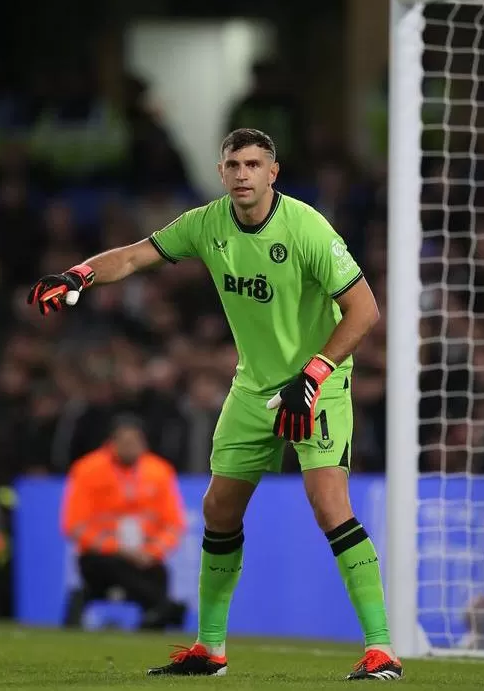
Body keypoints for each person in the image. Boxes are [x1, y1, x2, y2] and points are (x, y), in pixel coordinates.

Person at [28, 128, 402, 681]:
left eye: (253, 164)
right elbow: (133, 257)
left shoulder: (307, 228)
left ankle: (381, 649)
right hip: (252, 388)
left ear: (272, 173)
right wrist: (79, 273)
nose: (243, 174)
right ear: (221, 173)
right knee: (218, 510)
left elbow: (365, 310)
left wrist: (315, 371)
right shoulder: (206, 224)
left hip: (317, 383)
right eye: (233, 165)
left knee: (329, 505)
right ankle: (210, 649)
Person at [60, 414, 187, 631]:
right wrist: (118, 549)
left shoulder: (159, 471)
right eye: (125, 441)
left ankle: (155, 620)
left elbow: (174, 525)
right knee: (115, 566)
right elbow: (74, 525)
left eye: (135, 441)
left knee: (158, 573)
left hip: (144, 555)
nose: (131, 447)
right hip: (101, 556)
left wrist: (151, 552)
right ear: (112, 442)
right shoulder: (87, 469)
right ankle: (166, 607)